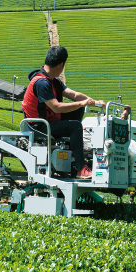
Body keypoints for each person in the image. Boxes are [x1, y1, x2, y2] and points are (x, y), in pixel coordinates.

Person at [21, 45, 106, 179]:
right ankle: (80, 168)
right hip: (38, 126)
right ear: (61, 64)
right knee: (75, 126)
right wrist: (82, 103)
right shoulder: (42, 82)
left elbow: (73, 94)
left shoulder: (53, 81)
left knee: (78, 108)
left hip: (49, 121)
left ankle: (73, 147)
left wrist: (94, 102)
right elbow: (56, 107)